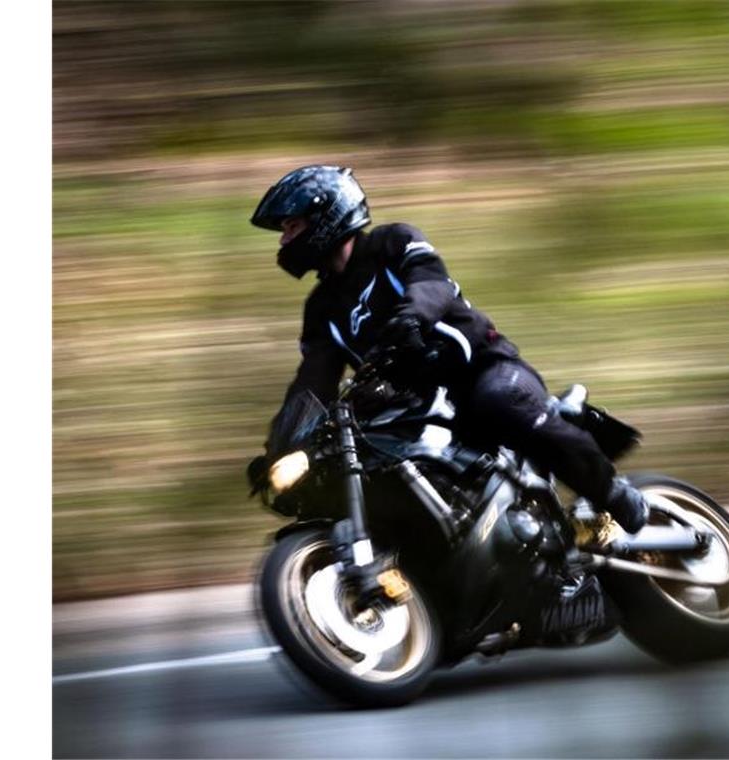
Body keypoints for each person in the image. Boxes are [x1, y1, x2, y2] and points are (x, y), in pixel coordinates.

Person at [248, 165, 649, 533]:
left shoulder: (393, 242)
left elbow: (432, 284)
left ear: (326, 215)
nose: (284, 240)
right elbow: (312, 382)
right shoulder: (320, 309)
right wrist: (280, 448)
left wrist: (411, 317)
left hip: (481, 367)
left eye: (292, 226)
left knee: (499, 399)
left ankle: (614, 495)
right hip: (414, 401)